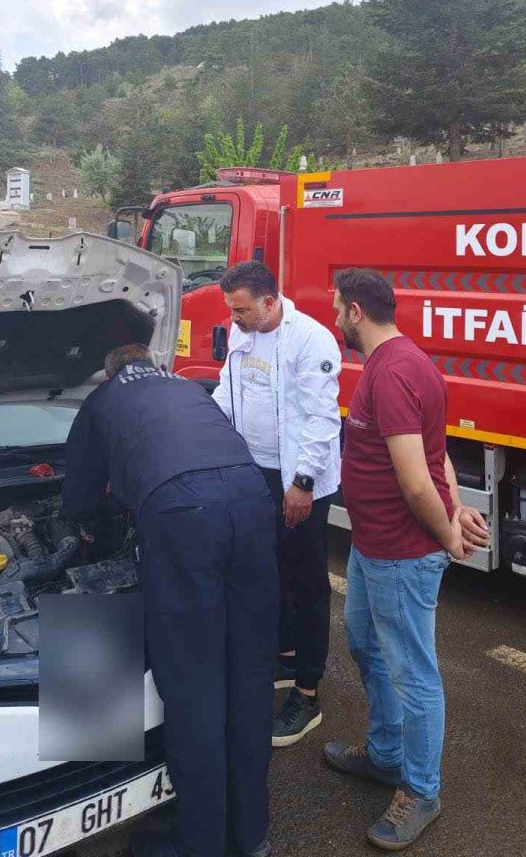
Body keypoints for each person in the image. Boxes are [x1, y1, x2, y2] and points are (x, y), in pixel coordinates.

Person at [62, 342, 278, 857]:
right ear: (152, 364)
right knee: (249, 675)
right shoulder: (189, 386)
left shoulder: (101, 401)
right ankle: (251, 836)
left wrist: (89, 533)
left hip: (184, 514)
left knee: (194, 683)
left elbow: (79, 501)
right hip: (250, 501)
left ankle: (199, 843)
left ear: (109, 373)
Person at [323, 269, 489, 852]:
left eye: (337, 307)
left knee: (414, 674)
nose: (335, 316)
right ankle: (387, 754)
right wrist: (460, 506)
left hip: (400, 552)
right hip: (372, 547)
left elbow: (417, 482)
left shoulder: (393, 372)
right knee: (364, 641)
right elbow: (438, 455)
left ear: (357, 313)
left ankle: (420, 791)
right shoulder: (403, 361)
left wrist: (445, 534)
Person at [212, 260, 342, 746]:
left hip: (297, 479)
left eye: (242, 309)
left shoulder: (311, 340)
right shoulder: (242, 333)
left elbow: (322, 419)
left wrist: (303, 483)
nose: (235, 318)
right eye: (232, 310)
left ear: (269, 300)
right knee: (270, 569)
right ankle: (284, 654)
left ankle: (307, 693)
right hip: (255, 472)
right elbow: (230, 391)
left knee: (308, 583)